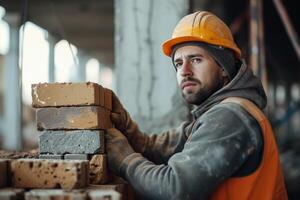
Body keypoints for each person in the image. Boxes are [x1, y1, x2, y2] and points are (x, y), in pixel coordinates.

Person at [105, 11, 288, 200]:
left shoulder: (230, 117)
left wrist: (126, 161)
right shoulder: (215, 113)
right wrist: (127, 129)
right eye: (178, 63)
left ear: (223, 68)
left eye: (196, 60)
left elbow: (174, 188)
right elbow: (163, 148)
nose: (184, 71)